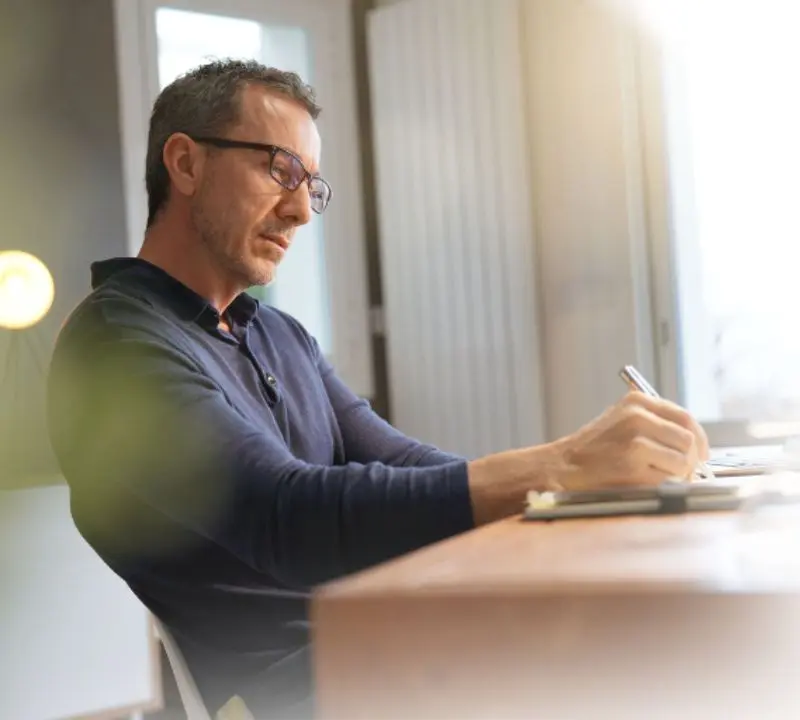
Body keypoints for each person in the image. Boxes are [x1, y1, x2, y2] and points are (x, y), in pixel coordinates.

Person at [46, 59, 709, 719]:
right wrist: (562, 467)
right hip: (314, 691)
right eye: (280, 169)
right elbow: (290, 519)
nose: (303, 210)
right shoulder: (117, 347)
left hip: (394, 648)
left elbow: (403, 465)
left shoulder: (278, 334)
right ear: (186, 164)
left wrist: (581, 493)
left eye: (312, 184)